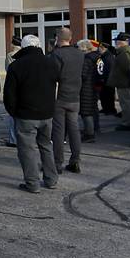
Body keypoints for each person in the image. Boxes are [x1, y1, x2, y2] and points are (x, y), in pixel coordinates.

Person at [3, 35, 59, 193]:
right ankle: (51, 179)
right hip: (47, 113)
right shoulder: (51, 62)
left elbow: (9, 94)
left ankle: (32, 183)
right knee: (46, 146)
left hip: (25, 114)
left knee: (27, 150)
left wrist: (13, 111)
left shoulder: (17, 65)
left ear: (23, 47)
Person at [50, 27, 84, 174]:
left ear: (58, 38)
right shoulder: (80, 54)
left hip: (60, 97)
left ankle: (58, 163)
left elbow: (53, 76)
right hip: (75, 96)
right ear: (70, 38)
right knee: (74, 130)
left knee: (58, 131)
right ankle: (75, 160)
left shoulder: (56, 55)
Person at [108, 33, 130, 131]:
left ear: (124, 42)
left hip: (124, 83)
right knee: (126, 103)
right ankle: (129, 121)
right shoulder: (123, 52)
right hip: (123, 82)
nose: (116, 43)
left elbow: (128, 68)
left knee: (126, 103)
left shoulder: (124, 54)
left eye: (118, 41)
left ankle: (128, 123)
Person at [78, 39, 100, 144]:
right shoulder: (97, 57)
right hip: (94, 86)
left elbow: (83, 74)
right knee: (93, 108)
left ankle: (89, 134)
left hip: (86, 88)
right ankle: (94, 128)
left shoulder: (87, 59)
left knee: (86, 112)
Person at [4, 35, 22, 147]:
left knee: (12, 115)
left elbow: (8, 69)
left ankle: (13, 139)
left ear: (12, 44)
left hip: (13, 85)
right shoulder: (25, 53)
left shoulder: (10, 55)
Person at [97, 41, 117, 115]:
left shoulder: (109, 56)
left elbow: (110, 68)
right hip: (104, 79)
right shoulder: (103, 56)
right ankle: (105, 108)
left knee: (109, 95)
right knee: (103, 95)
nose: (98, 49)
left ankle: (110, 109)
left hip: (108, 79)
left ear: (104, 48)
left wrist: (107, 78)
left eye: (100, 48)